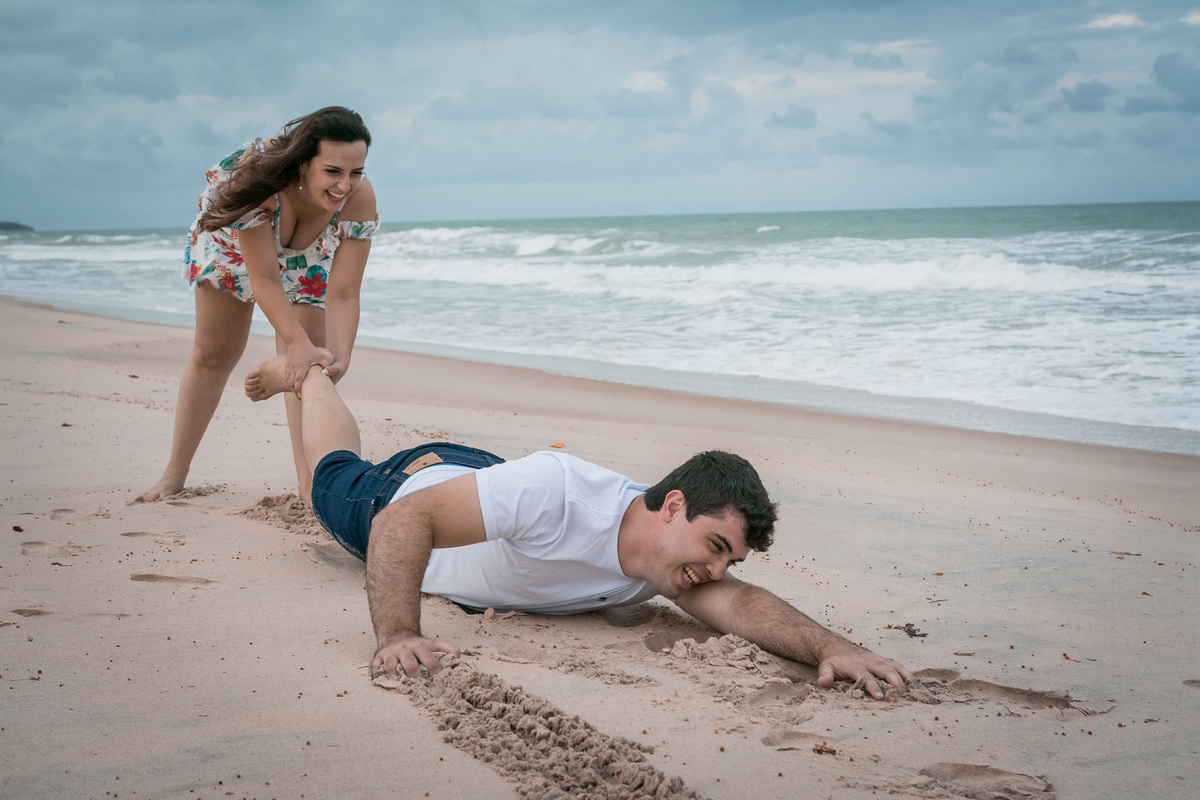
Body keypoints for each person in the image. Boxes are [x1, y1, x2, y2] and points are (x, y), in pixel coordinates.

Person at [244, 351, 915, 700]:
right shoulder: (559, 493)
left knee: (504, 494)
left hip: (490, 485)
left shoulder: (669, 564)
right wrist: (398, 635)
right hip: (400, 496)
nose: (715, 571)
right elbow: (403, 524)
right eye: (716, 547)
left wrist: (832, 647)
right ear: (672, 505)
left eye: (728, 561)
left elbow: (743, 606)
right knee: (323, 478)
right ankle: (310, 376)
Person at [139, 106, 379, 504]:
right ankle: (174, 473)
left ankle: (308, 486)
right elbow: (264, 279)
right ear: (303, 164)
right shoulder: (258, 180)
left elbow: (344, 292)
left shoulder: (358, 198)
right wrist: (295, 341)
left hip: (308, 252)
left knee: (309, 365)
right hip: (234, 235)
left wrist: (341, 358)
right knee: (215, 353)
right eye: (333, 171)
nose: (345, 185)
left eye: (356, 172)